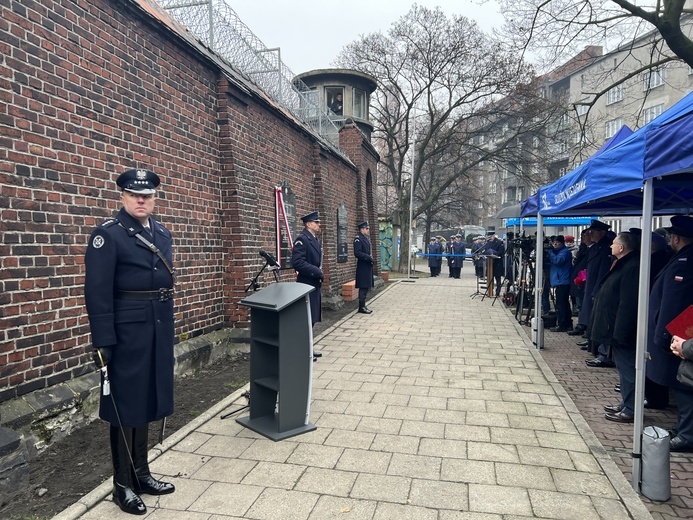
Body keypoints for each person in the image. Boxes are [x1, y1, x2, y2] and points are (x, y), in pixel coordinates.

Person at [85, 168, 176, 516]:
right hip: (126, 334)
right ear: (122, 196)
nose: (142, 200)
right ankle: (121, 484)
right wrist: (103, 341)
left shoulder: (162, 232)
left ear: (155, 198)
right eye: (134, 194)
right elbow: (97, 292)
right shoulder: (108, 236)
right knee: (124, 408)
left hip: (157, 328)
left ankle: (141, 473)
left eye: (148, 194)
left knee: (148, 399)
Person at [646, 215, 693, 452]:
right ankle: (683, 428)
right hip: (681, 333)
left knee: (683, 384)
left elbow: (673, 303)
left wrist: (664, 337)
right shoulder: (681, 258)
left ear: (675, 238)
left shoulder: (684, 262)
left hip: (679, 336)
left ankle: (687, 435)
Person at [591, 232, 641, 423]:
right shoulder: (624, 263)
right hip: (615, 325)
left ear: (621, 248)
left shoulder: (632, 267)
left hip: (622, 329)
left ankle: (631, 408)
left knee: (628, 369)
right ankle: (626, 402)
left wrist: (620, 331)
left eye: (613, 243)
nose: (610, 246)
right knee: (623, 368)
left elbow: (628, 303)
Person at [292, 211, 324, 360]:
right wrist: (316, 271)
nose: (319, 225)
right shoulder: (302, 239)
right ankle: (303, 349)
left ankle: (308, 347)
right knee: (307, 318)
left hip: (314, 283)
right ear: (309, 224)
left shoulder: (314, 239)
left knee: (312, 318)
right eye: (316, 222)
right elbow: (297, 262)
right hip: (306, 283)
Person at [583, 220, 615, 368]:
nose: (590, 235)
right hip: (591, 286)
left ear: (602, 233)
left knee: (600, 319)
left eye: (592, 232)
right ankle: (593, 343)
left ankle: (602, 352)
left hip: (599, 287)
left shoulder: (605, 248)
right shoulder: (597, 247)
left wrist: (598, 289)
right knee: (592, 316)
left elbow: (603, 271)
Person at [570, 229, 593, 340]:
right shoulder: (583, 250)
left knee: (584, 305)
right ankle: (582, 324)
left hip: (585, 282)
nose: (583, 238)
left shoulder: (591, 251)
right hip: (579, 281)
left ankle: (584, 325)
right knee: (580, 304)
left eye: (585, 236)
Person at [547, 235, 573, 332]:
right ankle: (566, 323)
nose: (555, 244)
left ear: (562, 243)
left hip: (562, 281)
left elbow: (558, 261)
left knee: (561, 304)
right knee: (563, 303)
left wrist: (550, 252)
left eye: (557, 242)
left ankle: (562, 324)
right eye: (554, 242)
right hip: (560, 280)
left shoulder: (564, 252)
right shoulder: (559, 252)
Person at [353, 221, 374, 314]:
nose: (368, 230)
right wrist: (368, 257)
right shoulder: (358, 239)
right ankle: (361, 306)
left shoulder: (364, 238)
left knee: (366, 286)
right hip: (362, 266)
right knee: (363, 286)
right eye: (367, 228)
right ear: (362, 229)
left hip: (367, 265)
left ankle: (363, 305)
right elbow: (357, 253)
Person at [483, 230, 505, 296]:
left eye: (491, 236)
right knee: (490, 278)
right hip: (490, 264)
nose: (490, 237)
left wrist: (495, 253)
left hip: (497, 263)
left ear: (494, 235)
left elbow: (501, 251)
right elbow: (485, 251)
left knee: (498, 278)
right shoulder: (487, 243)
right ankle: (490, 291)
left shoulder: (499, 242)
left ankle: (498, 292)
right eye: (489, 236)